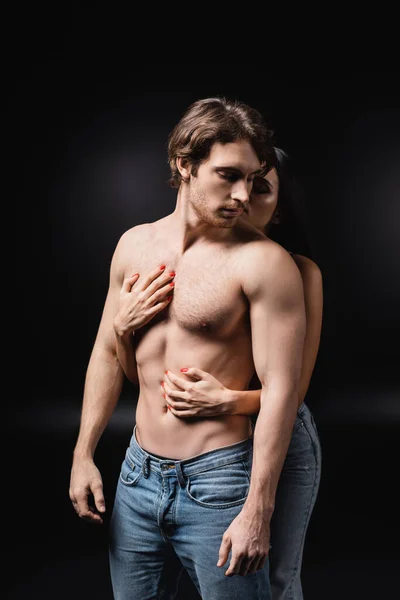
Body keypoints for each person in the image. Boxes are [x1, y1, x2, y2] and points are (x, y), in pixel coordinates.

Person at [69, 97, 306, 600]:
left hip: (218, 482)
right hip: (136, 476)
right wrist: (83, 454)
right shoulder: (134, 244)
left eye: (253, 178)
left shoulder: (265, 264)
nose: (243, 194)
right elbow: (107, 356)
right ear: (185, 164)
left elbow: (283, 392)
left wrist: (257, 510)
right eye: (228, 175)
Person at [114, 147, 323, 600]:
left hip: (282, 432)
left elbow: (291, 390)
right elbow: (138, 372)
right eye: (236, 181)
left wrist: (225, 400)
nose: (244, 198)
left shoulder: (295, 271)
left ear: (282, 205)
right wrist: (122, 330)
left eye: (260, 188)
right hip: (206, 448)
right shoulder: (202, 258)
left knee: (277, 577)